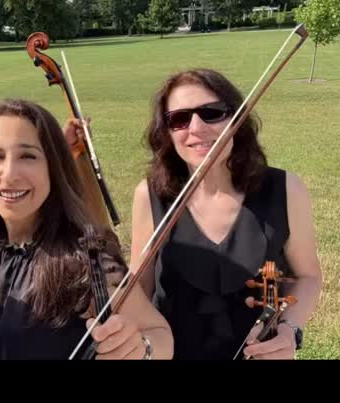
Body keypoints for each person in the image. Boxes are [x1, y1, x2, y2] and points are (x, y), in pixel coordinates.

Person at [129, 68, 322, 361]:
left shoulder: (285, 189)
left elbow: (307, 276)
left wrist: (288, 329)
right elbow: (138, 289)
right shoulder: (151, 196)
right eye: (179, 119)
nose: (195, 128)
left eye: (211, 113)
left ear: (236, 119)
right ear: (167, 133)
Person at [0, 98, 174, 360]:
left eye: (28, 155)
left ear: (53, 167)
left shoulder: (85, 261)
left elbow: (160, 335)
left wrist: (142, 348)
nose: (9, 173)